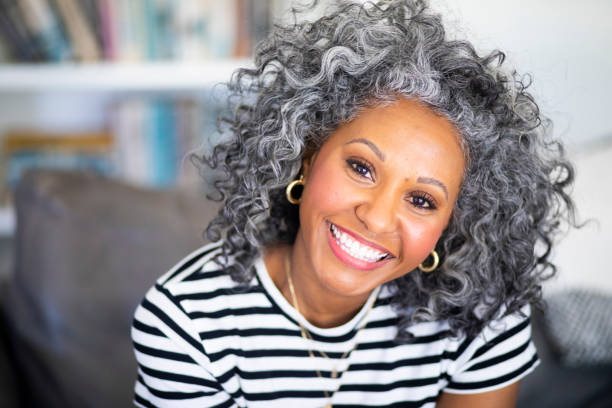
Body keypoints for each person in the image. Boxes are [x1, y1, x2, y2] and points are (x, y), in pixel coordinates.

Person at [131, 0, 575, 407]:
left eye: (421, 200)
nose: (377, 217)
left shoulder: (482, 316)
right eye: (361, 168)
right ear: (307, 154)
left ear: (454, 222)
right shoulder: (187, 322)